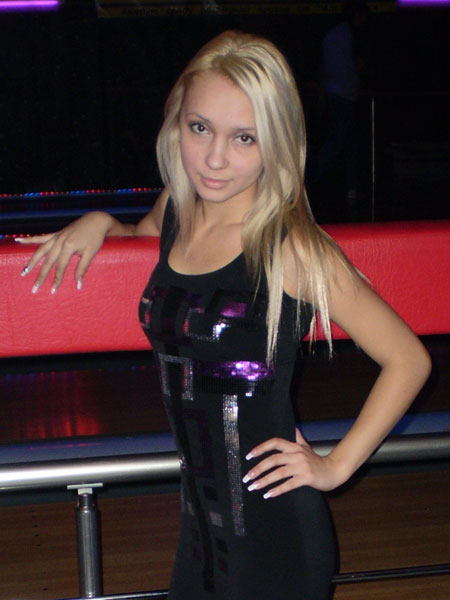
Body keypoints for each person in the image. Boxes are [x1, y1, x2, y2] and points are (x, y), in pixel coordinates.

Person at [17, 31, 430, 600]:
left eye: (244, 138)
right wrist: (101, 222)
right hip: (200, 528)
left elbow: (408, 359)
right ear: (176, 124)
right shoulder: (177, 212)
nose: (214, 158)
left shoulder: (289, 246)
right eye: (200, 128)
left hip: (276, 531)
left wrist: (336, 467)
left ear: (276, 142)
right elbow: (139, 240)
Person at [308, 0, 369, 218]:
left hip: (336, 91)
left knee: (350, 142)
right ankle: (307, 180)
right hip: (343, 93)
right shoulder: (350, 35)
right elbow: (354, 65)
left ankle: (351, 188)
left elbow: (324, 65)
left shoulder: (333, 33)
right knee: (338, 141)